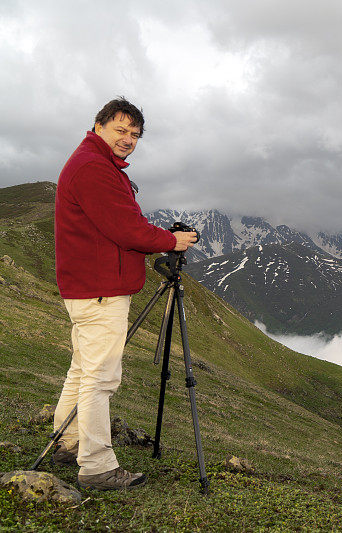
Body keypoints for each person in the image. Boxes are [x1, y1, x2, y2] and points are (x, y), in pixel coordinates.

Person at [52, 97, 197, 490]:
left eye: (134, 134)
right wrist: (172, 240)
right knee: (100, 378)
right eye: (120, 130)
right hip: (100, 290)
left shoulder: (94, 164)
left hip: (88, 286)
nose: (128, 139)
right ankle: (97, 466)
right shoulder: (93, 168)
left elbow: (121, 222)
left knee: (82, 370)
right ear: (99, 125)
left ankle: (68, 442)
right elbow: (127, 230)